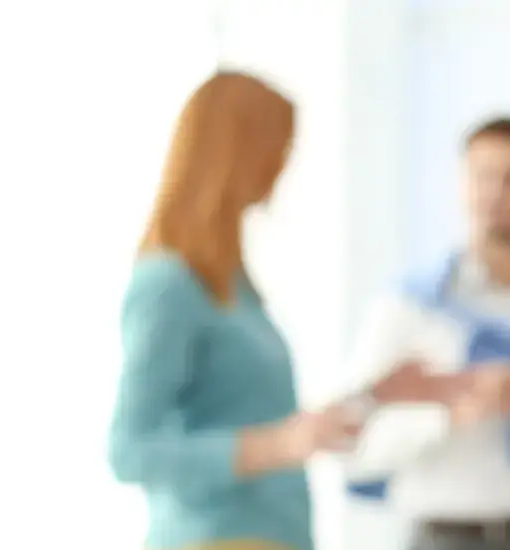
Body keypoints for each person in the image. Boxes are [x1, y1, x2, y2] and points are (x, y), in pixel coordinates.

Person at [330, 116, 510, 550]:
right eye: (481, 176)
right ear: (460, 184)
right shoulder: (410, 309)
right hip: (443, 536)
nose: (494, 194)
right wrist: (450, 410)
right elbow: (350, 444)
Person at [108, 71, 358, 550]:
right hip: (213, 537)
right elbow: (129, 450)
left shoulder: (232, 284)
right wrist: (279, 445)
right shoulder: (167, 284)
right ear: (238, 152)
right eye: (277, 147)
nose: (282, 166)